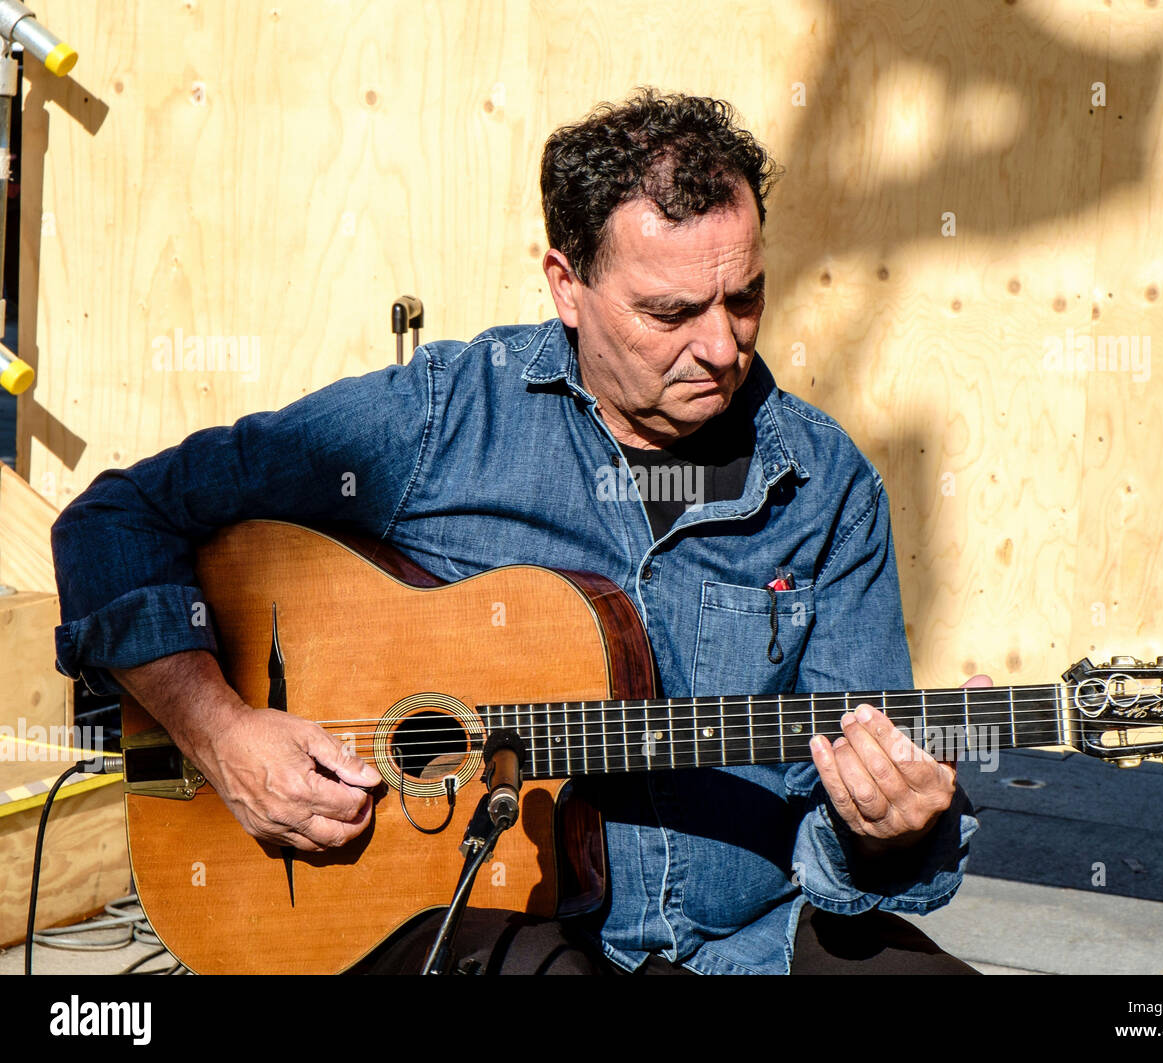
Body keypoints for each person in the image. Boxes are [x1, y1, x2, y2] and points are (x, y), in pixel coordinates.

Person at [51, 88, 982, 975]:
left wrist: (888, 825)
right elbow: (115, 520)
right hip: (473, 922)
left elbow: (848, 816)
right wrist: (220, 732)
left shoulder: (827, 485)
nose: (723, 347)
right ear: (566, 285)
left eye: (745, 299)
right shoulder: (443, 417)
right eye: (671, 313)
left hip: (746, 938)